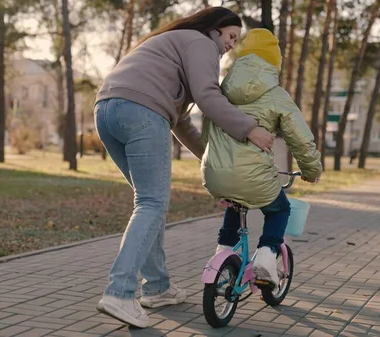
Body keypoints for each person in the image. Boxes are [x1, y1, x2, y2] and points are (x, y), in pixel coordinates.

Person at [93, 7, 276, 328]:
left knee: (148, 203)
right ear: (215, 29)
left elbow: (181, 124)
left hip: (108, 110)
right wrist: (249, 128)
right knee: (151, 202)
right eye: (231, 36)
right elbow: (208, 95)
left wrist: (215, 161)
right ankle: (119, 293)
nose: (232, 44)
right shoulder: (200, 43)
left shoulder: (173, 44)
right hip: (140, 112)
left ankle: (158, 288)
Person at [201, 28, 323, 287]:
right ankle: (267, 257)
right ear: (274, 61)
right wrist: (311, 170)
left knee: (236, 204)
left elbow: (207, 131)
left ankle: (223, 252)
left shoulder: (221, 90)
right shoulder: (276, 95)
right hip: (253, 175)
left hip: (214, 171)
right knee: (280, 208)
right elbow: (300, 138)